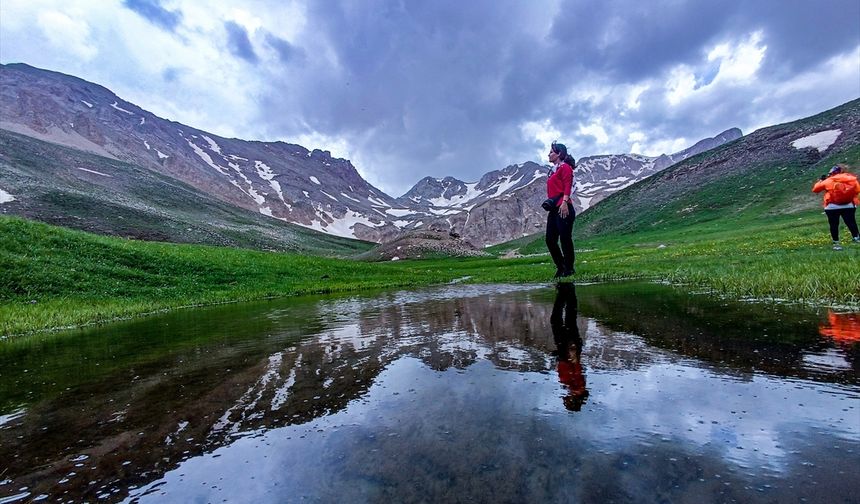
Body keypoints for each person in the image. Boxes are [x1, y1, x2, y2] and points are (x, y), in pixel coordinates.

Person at [550, 283, 588, 411]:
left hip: (564, 350)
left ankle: (565, 290)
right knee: (565, 319)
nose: (566, 397)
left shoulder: (574, 386)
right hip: (568, 349)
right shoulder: (577, 386)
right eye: (568, 400)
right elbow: (575, 367)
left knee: (563, 319)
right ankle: (567, 290)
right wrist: (572, 352)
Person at [812, 164, 860, 250]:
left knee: (834, 224)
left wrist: (820, 181)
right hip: (849, 205)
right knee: (851, 222)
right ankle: (856, 238)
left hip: (832, 206)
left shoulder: (828, 180)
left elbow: (815, 189)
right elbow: (857, 190)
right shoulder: (851, 179)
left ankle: (836, 243)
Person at [545, 142, 576, 277]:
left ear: (558, 154)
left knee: (565, 238)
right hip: (554, 209)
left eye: (551, 152)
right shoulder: (553, 171)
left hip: (564, 207)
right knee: (550, 239)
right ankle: (561, 266)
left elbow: (568, 185)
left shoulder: (565, 168)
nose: (549, 154)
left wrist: (564, 202)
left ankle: (569, 268)